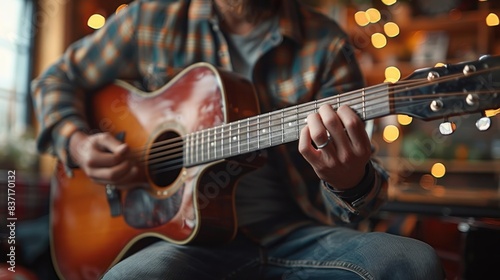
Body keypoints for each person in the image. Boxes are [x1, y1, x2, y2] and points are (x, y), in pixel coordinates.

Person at [31, 0, 444, 279]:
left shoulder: (326, 44)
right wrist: (78, 144)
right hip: (185, 241)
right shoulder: (151, 19)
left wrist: (350, 180)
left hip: (296, 234)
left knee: (413, 262)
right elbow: (54, 81)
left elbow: (361, 205)